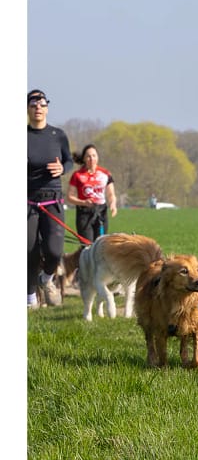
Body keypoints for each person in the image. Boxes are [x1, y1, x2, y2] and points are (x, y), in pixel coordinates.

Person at [27, 89, 73, 308]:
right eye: (33, 103)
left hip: (52, 200)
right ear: (27, 108)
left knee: (54, 251)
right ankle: (29, 298)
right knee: (29, 250)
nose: (38, 107)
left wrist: (62, 168)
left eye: (42, 103)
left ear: (47, 108)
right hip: (27, 201)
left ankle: (46, 279)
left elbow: (70, 162)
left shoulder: (58, 135)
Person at [66, 144, 117, 245]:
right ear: (84, 158)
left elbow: (111, 194)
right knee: (87, 246)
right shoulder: (77, 175)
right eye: (88, 156)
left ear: (97, 157)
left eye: (94, 155)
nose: (91, 158)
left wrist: (113, 204)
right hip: (84, 213)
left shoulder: (105, 174)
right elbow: (69, 197)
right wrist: (83, 202)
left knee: (100, 246)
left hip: (101, 212)